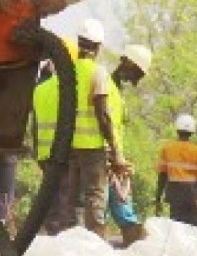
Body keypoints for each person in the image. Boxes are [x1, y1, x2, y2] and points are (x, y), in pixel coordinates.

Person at [67, 18, 130, 238]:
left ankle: (70, 239)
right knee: (95, 195)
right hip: (92, 147)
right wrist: (115, 149)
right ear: (98, 47)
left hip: (68, 145)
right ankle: (95, 241)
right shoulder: (98, 73)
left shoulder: (67, 71)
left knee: (72, 196)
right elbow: (103, 114)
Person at [29, 38, 78, 234]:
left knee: (51, 196)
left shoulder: (39, 88)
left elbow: (35, 126)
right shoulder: (68, 88)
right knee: (64, 198)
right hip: (64, 153)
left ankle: (50, 231)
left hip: (44, 151)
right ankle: (59, 235)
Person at [105, 44, 152, 246]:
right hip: (105, 159)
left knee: (125, 213)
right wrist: (115, 157)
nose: (136, 80)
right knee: (114, 213)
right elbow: (105, 123)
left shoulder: (116, 91)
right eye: (138, 73)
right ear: (128, 63)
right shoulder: (105, 86)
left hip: (114, 159)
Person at [155, 113, 197, 228]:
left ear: (177, 130)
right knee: (194, 226)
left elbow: (162, 176)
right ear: (192, 132)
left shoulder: (167, 149)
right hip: (192, 193)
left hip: (175, 192)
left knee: (176, 225)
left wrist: (158, 198)